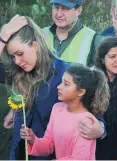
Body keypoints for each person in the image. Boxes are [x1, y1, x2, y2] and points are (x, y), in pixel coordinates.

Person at [0, 15, 105, 160]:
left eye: (20, 54)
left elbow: (95, 110)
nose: (17, 61)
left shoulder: (66, 74)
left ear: (35, 46)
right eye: (13, 56)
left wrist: (100, 128)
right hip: (19, 153)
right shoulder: (17, 72)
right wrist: (3, 36)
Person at [20, 65, 109, 160]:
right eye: (61, 82)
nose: (59, 87)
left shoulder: (86, 122)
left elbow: (80, 158)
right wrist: (33, 139)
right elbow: (49, 144)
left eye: (66, 84)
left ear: (81, 92)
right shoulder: (57, 109)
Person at [43, 0, 103, 66]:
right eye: (56, 7)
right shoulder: (40, 34)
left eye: (64, 9)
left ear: (78, 11)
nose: (59, 14)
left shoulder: (94, 40)